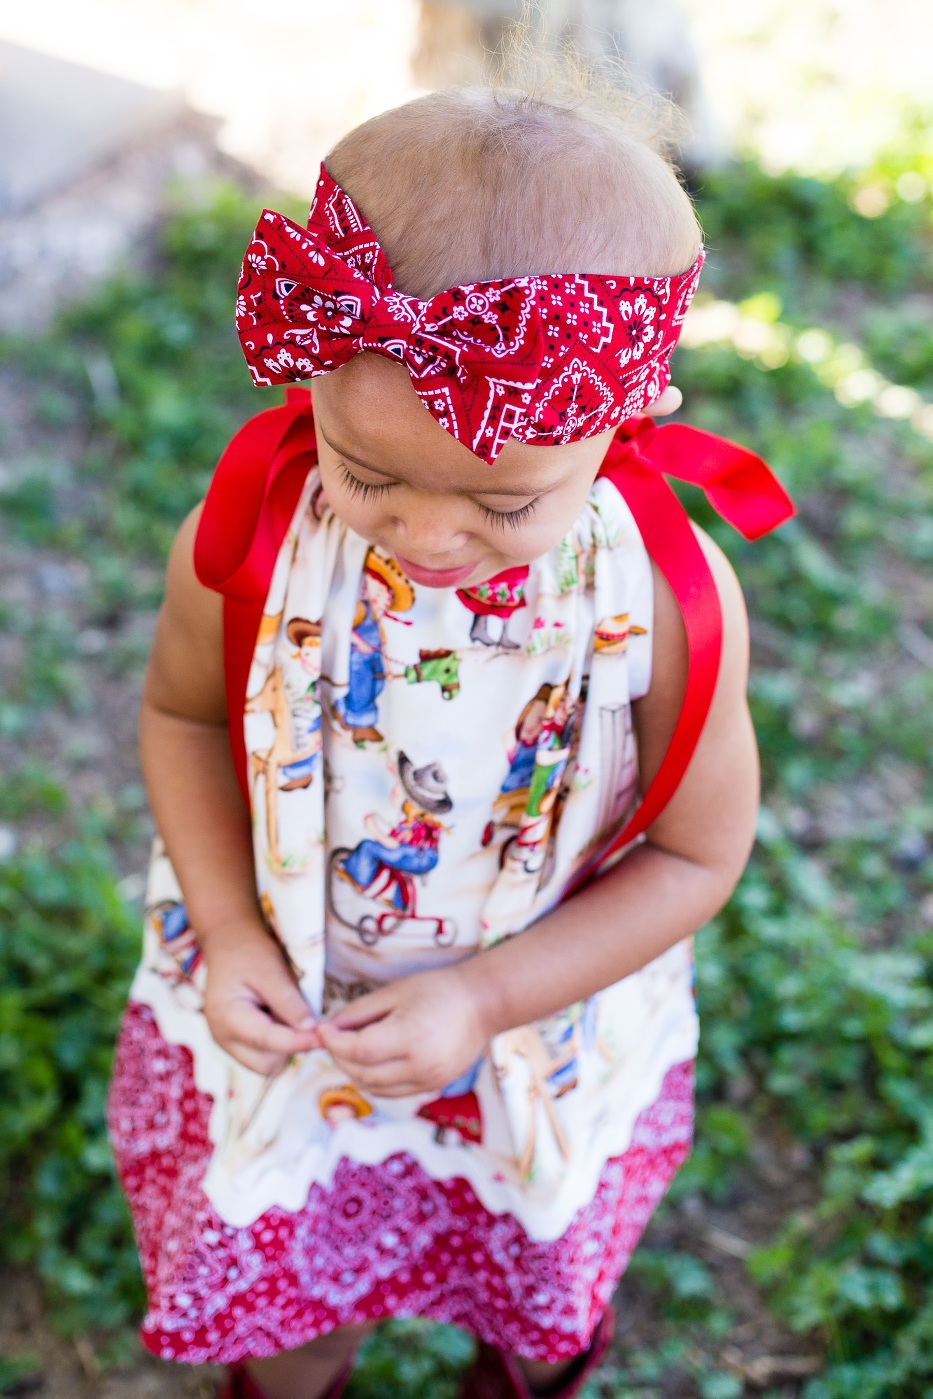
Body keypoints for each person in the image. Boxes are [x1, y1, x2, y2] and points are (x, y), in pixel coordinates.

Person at [107, 58, 792, 1399]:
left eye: (502, 503)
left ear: (623, 417)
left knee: (526, 1284)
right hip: (290, 1006)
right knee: (289, 1308)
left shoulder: (661, 603)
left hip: (535, 1033)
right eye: (369, 472)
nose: (426, 536)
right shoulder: (250, 534)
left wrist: (484, 998)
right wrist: (230, 927)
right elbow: (180, 714)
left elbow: (695, 861)